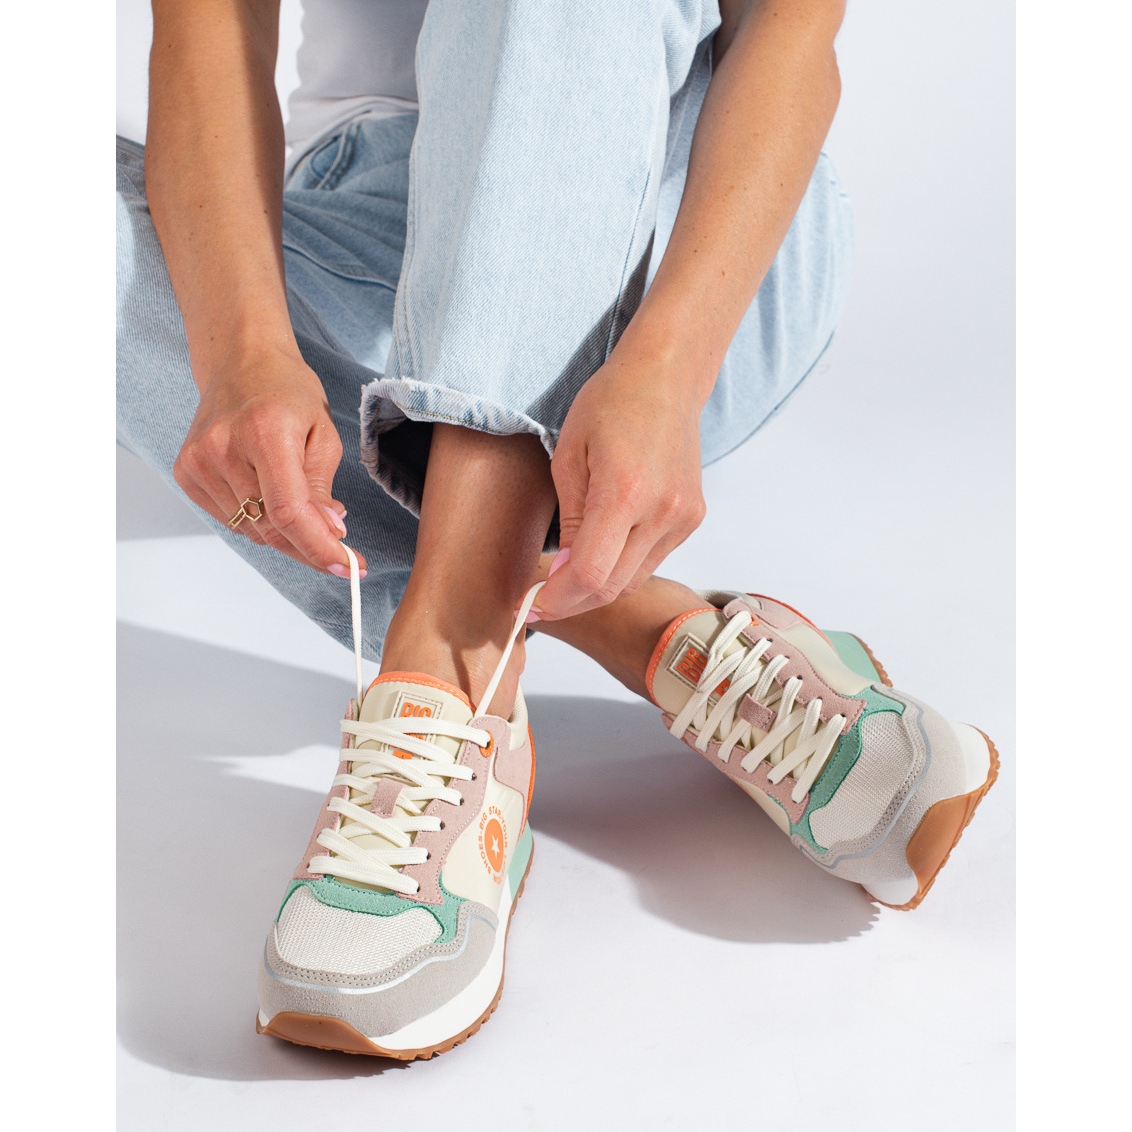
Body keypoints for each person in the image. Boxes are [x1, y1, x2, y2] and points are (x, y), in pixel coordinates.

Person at [117, 0, 998, 1060]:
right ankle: (630, 626)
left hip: (688, 242)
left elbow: (790, 37)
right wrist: (242, 351)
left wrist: (666, 370)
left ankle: (446, 668)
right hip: (365, 239)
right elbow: (208, 29)